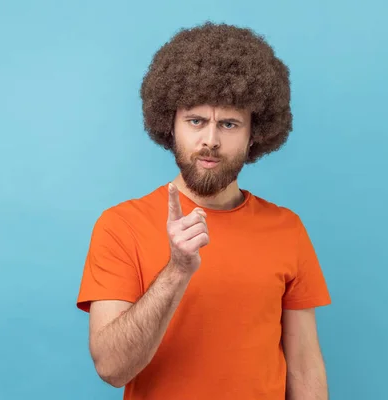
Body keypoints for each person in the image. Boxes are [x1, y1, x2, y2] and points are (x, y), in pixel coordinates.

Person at [76, 21, 331, 400]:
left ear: (253, 134)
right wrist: (177, 269)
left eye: (229, 124)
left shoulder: (286, 228)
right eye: (196, 121)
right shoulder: (120, 226)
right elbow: (112, 369)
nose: (210, 140)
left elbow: (305, 365)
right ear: (171, 125)